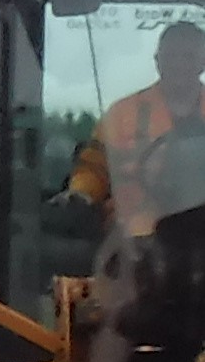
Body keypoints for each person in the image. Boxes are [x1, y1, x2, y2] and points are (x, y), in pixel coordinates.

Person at [70, 18, 205, 234]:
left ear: (203, 61)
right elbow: (94, 166)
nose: (179, 64)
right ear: (157, 60)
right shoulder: (122, 114)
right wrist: (80, 194)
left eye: (188, 57)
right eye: (170, 56)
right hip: (135, 240)